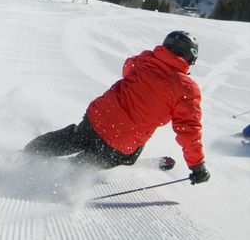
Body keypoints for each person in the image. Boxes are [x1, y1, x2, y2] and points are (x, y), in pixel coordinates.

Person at [24, 31, 210, 185]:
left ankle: (32, 151)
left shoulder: (145, 60)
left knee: (76, 138)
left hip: (98, 118)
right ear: (190, 58)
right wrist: (197, 166)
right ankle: (71, 170)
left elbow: (127, 69)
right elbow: (188, 130)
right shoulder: (187, 89)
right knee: (109, 156)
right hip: (123, 141)